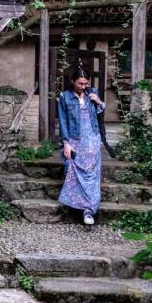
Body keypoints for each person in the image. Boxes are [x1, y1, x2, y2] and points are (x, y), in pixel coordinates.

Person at [57, 68, 105, 225]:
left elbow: (101, 109)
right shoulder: (64, 97)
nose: (83, 86)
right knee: (72, 168)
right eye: (80, 83)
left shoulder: (92, 93)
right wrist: (66, 143)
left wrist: (97, 101)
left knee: (92, 174)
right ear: (72, 82)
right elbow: (63, 121)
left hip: (92, 138)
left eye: (85, 83)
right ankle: (78, 205)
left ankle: (89, 210)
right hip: (75, 139)